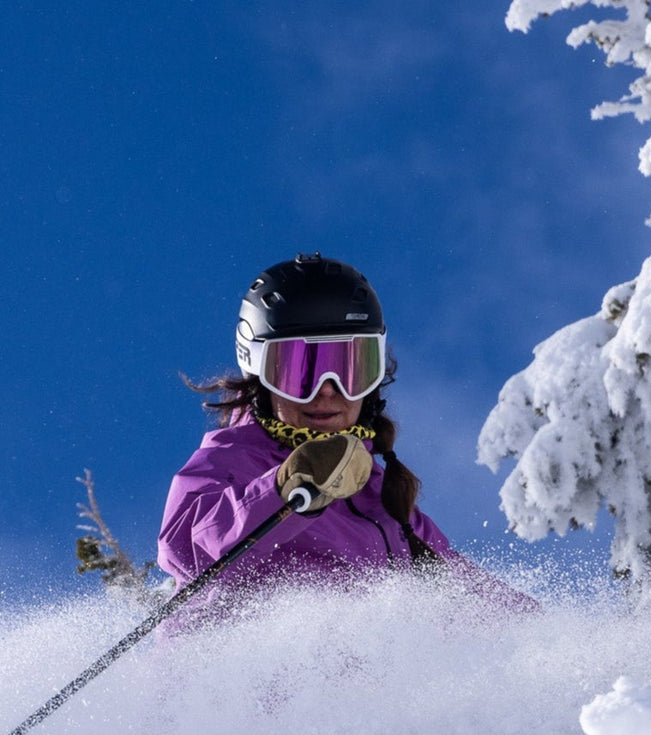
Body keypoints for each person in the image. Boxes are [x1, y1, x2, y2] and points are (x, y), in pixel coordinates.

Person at [158, 252, 536, 610]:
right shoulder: (230, 461)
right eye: (298, 370)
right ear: (259, 371)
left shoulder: (381, 496)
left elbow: (469, 595)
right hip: (238, 670)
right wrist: (282, 490)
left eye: (350, 368)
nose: (327, 389)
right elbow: (187, 547)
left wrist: (560, 646)